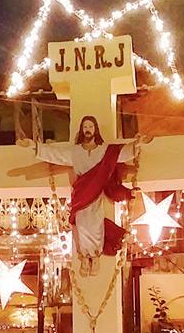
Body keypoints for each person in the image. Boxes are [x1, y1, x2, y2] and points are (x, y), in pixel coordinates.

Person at [18, 116, 149, 275]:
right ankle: (85, 255)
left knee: (95, 224)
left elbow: (121, 153)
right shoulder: (75, 152)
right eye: (85, 126)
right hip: (80, 194)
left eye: (90, 126)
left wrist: (136, 144)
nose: (88, 129)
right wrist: (34, 146)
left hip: (95, 195)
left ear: (95, 130)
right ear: (82, 130)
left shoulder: (104, 151)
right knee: (82, 225)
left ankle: (94, 255)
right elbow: (54, 154)